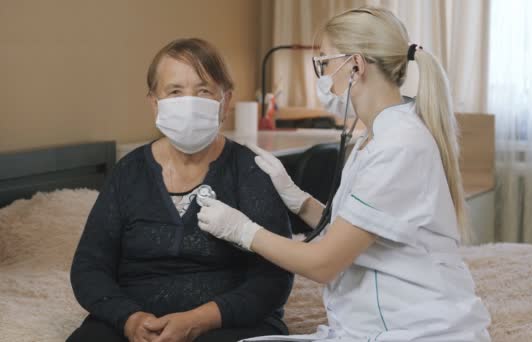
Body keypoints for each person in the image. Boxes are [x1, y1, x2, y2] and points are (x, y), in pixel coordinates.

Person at [197, 7, 491, 342]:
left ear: (355, 65)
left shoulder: (399, 146)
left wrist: (242, 231)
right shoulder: (376, 136)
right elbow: (357, 228)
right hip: (372, 325)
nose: (321, 76)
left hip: (415, 330)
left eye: (323, 63)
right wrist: (299, 199)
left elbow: (323, 263)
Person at [68, 38, 293, 342]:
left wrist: (199, 320)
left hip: (228, 323)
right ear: (154, 103)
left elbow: (274, 278)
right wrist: (130, 319)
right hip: (134, 321)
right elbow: (89, 268)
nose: (189, 102)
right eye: (175, 91)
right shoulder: (128, 172)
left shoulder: (250, 170)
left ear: (224, 101)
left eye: (203, 91)